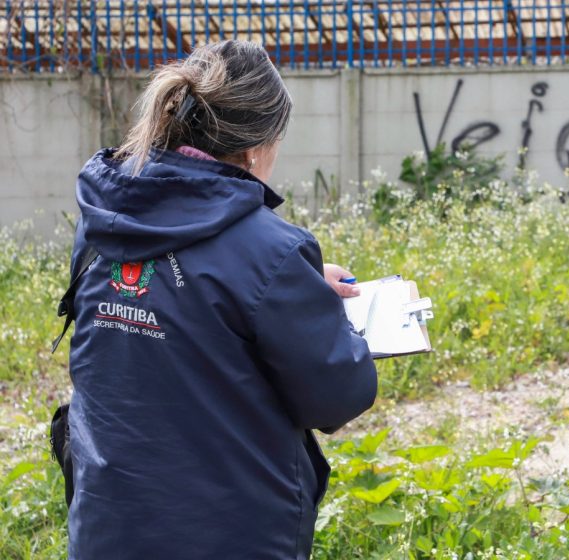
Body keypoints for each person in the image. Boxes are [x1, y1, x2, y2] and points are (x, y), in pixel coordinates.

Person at [67, 40, 377, 559]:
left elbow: (176, 296)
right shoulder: (270, 251)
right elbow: (337, 395)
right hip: (228, 534)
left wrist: (294, 284)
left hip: (108, 525)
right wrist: (297, 294)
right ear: (257, 147)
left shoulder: (107, 223)